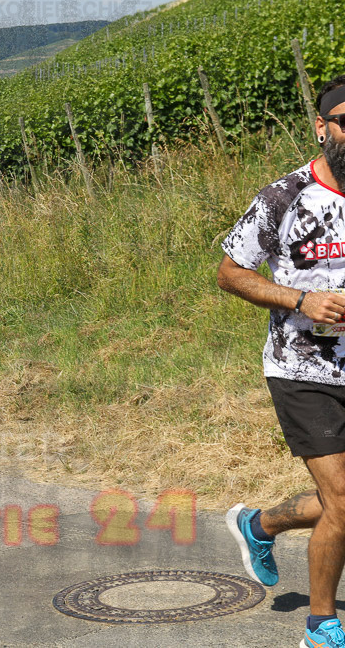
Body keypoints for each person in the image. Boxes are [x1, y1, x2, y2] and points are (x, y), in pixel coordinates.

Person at [219, 76, 345, 648]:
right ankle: (322, 625)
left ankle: (259, 524)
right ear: (323, 128)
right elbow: (230, 272)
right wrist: (302, 299)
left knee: (339, 499)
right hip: (303, 368)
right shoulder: (285, 196)